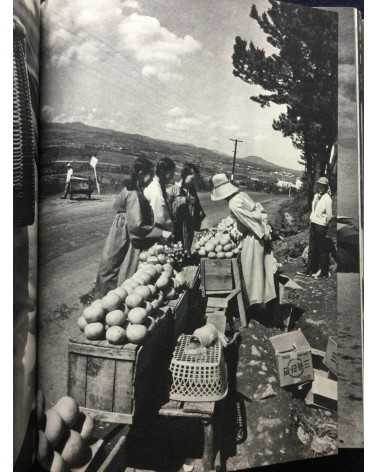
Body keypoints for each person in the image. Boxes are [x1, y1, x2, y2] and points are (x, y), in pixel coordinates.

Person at [95, 157, 172, 297]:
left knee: (111, 264)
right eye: (150, 175)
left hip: (119, 230)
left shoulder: (128, 188)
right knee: (123, 266)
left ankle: (103, 297)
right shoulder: (135, 195)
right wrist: (160, 232)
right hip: (126, 232)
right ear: (141, 173)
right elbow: (137, 226)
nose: (150, 179)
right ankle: (110, 301)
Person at [210, 173, 276, 307]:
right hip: (259, 231)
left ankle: (256, 305)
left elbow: (249, 222)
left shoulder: (233, 204)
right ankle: (262, 303)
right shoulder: (241, 195)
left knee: (251, 270)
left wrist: (240, 233)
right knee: (260, 271)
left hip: (255, 236)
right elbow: (252, 213)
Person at [170, 163, 206, 252]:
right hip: (178, 225)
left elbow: (197, 206)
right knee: (177, 246)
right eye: (192, 179)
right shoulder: (174, 189)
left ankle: (186, 255)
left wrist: (199, 213)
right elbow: (170, 208)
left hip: (189, 224)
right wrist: (184, 200)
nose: (194, 182)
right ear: (185, 175)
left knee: (187, 243)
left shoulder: (192, 189)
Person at [306, 176, 333, 278]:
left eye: (323, 185)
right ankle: (310, 269)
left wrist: (323, 223)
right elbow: (314, 210)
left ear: (326, 187)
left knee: (321, 249)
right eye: (319, 185)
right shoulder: (316, 196)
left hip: (321, 226)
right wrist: (312, 219)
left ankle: (322, 271)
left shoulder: (327, 198)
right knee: (312, 248)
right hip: (313, 224)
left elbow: (330, 216)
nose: (320, 187)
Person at [144, 157, 176, 232]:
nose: (172, 177)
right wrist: (172, 228)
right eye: (171, 173)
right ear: (164, 172)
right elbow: (160, 218)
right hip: (156, 231)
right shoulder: (156, 189)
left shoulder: (159, 186)